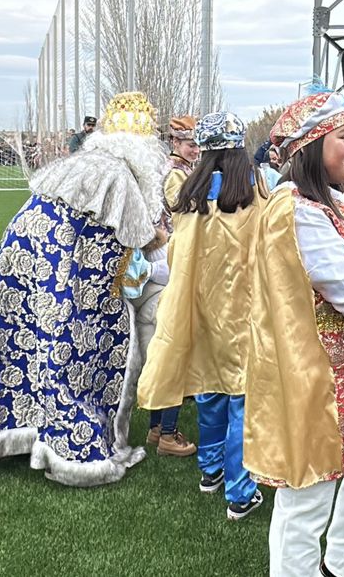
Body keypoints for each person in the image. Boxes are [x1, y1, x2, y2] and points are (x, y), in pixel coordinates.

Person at [0, 91, 166, 486]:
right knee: (77, 343)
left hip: (23, 253)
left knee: (20, 338)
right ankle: (74, 451)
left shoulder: (85, 160)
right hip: (65, 263)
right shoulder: (119, 175)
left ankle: (13, 431)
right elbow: (140, 236)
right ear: (144, 147)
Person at [248, 89, 344, 577]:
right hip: (315, 372)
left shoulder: (331, 200)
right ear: (312, 146)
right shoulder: (297, 210)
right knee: (309, 492)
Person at [139, 111, 267, 520]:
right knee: (241, 395)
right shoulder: (254, 193)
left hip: (199, 308)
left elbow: (178, 253)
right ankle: (240, 490)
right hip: (243, 310)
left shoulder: (189, 196)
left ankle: (211, 471)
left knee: (210, 388)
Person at [146, 114, 202, 458]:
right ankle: (167, 432)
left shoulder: (180, 170)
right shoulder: (175, 173)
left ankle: (157, 427)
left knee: (166, 348)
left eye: (197, 144)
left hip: (168, 260)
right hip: (172, 262)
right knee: (176, 350)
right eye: (190, 144)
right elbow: (186, 215)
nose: (195, 150)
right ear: (175, 143)